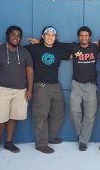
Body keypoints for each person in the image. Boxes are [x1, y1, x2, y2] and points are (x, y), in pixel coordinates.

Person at [0, 26, 34, 157]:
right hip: (0, 89)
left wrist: (30, 89)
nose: (16, 37)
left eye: (18, 35)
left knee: (14, 117)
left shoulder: (24, 52)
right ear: (7, 36)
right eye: (13, 34)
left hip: (20, 91)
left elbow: (29, 71)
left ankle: (8, 142)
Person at [25, 26, 71, 154]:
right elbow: (16, 49)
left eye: (53, 35)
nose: (50, 37)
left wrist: (95, 48)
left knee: (58, 113)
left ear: (55, 37)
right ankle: (41, 144)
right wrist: (2, 45)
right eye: (48, 35)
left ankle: (51, 137)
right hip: (41, 86)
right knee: (41, 115)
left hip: (55, 85)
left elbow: (76, 53)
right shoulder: (35, 48)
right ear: (43, 36)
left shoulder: (59, 50)